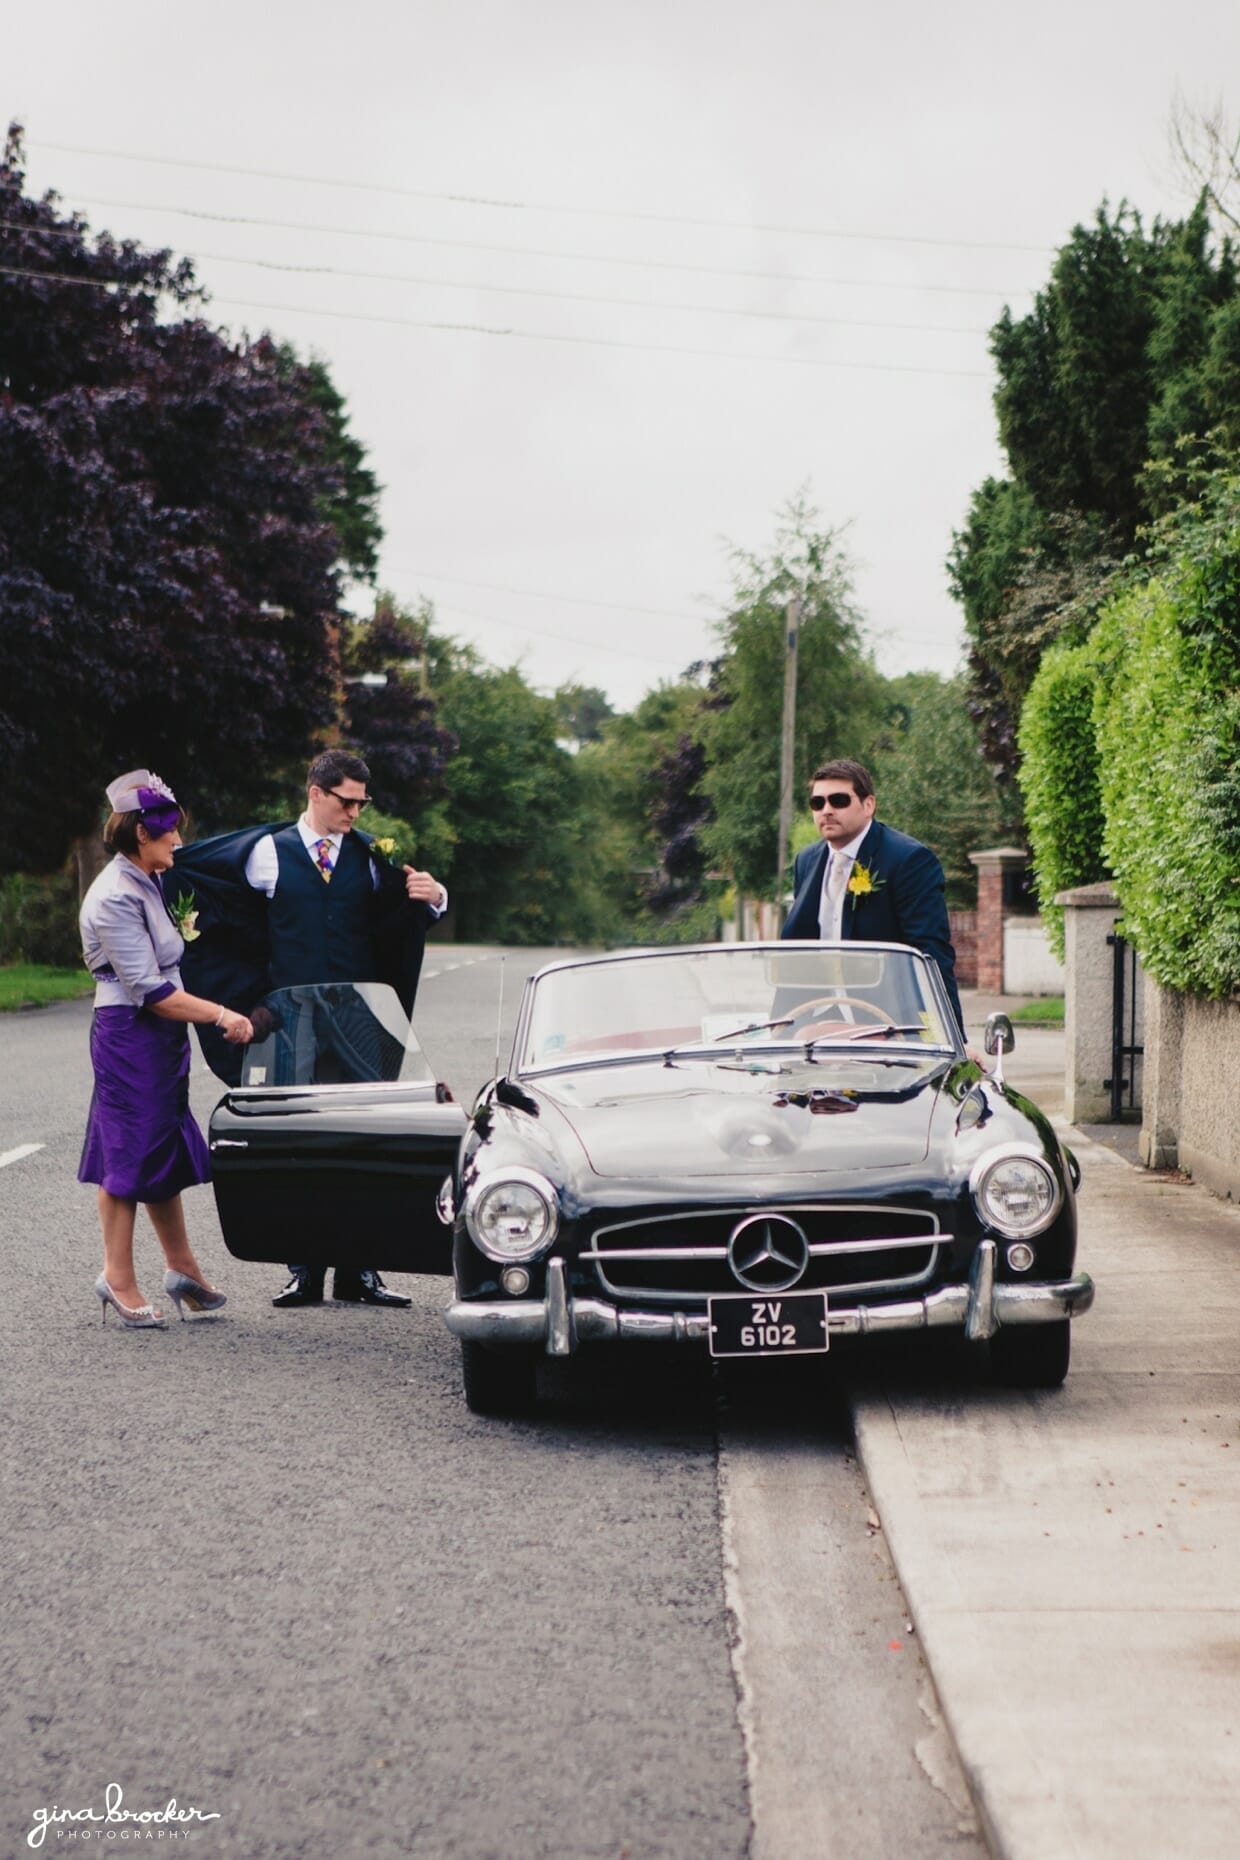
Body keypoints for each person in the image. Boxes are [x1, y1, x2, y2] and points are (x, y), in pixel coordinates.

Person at [173, 749, 447, 1310]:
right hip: (290, 1019)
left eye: (362, 802)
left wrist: (435, 898)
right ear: (316, 793)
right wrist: (240, 1001)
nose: (355, 812)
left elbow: (398, 916)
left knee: (364, 1140)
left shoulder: (370, 857)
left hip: (357, 1020)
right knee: (299, 1141)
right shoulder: (264, 856)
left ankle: (361, 1272)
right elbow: (216, 907)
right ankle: (304, 1269)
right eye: (347, 801)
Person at [78, 770, 253, 1329]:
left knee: (162, 1145)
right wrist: (222, 1013)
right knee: (127, 1151)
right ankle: (116, 1277)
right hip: (130, 1034)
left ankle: (182, 1270)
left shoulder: (147, 878)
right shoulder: (113, 896)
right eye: (169, 833)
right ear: (139, 836)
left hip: (158, 1041)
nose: (178, 841)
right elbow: (152, 993)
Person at [781, 758, 965, 1039]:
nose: (826, 810)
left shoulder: (909, 859)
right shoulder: (806, 860)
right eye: (818, 803)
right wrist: (780, 1026)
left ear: (868, 805)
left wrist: (953, 1037)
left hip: (888, 1026)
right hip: (812, 1022)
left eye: (839, 800)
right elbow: (799, 951)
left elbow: (931, 954)